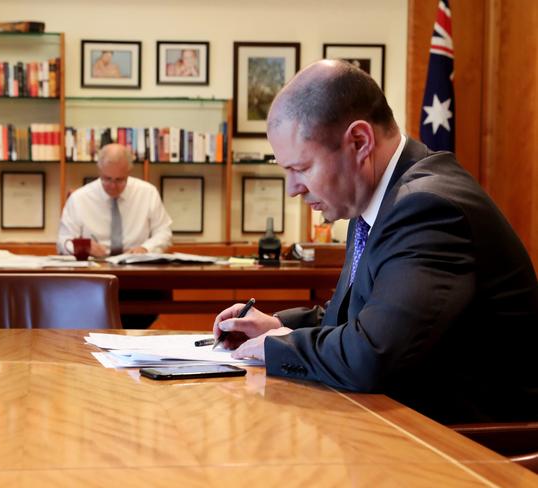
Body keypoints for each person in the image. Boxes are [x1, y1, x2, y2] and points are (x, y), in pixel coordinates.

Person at [213, 60, 538, 425]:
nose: (293, 189)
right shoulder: (375, 201)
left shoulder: (426, 207)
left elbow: (372, 353)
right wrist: (276, 325)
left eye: (301, 168)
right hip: (412, 421)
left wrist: (277, 347)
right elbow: (360, 316)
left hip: (477, 446)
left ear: (359, 142)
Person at [58, 143, 173, 328]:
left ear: (129, 172)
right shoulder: (80, 198)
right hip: (95, 277)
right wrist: (84, 247)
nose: (112, 186)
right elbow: (63, 241)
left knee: (144, 308)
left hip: (138, 279)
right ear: (99, 170)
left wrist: (146, 248)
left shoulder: (147, 193)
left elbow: (164, 232)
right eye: (106, 179)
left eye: (120, 180)